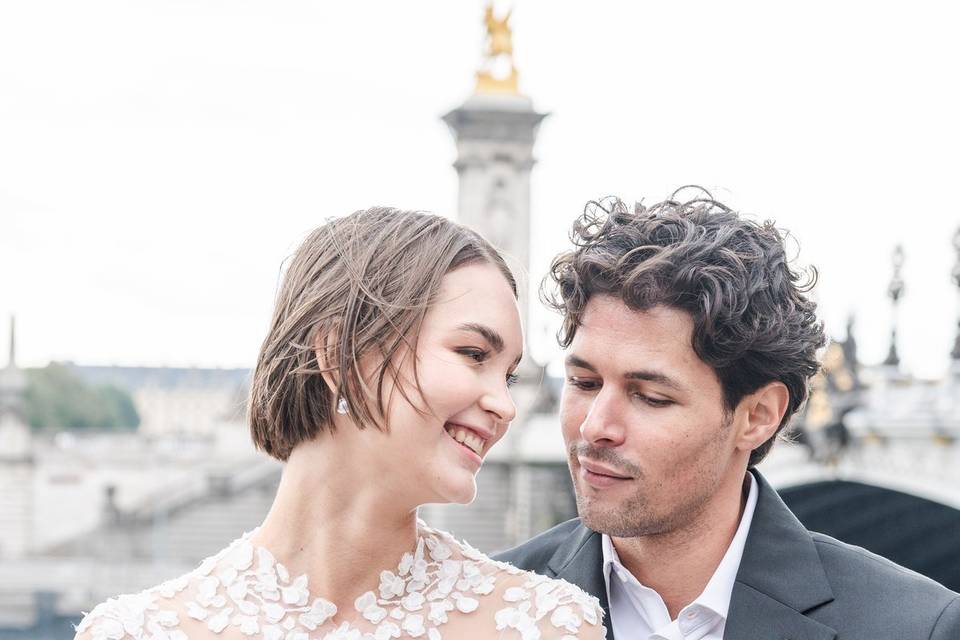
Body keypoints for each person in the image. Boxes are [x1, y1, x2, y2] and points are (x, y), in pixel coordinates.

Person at [75, 207, 605, 640]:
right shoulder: (133, 632)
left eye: (510, 376)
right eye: (472, 353)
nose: (505, 406)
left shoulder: (548, 625)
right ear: (340, 355)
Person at [497, 191, 960, 639]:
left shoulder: (915, 625)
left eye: (651, 397)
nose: (595, 426)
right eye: (584, 383)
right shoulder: (487, 605)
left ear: (757, 416)